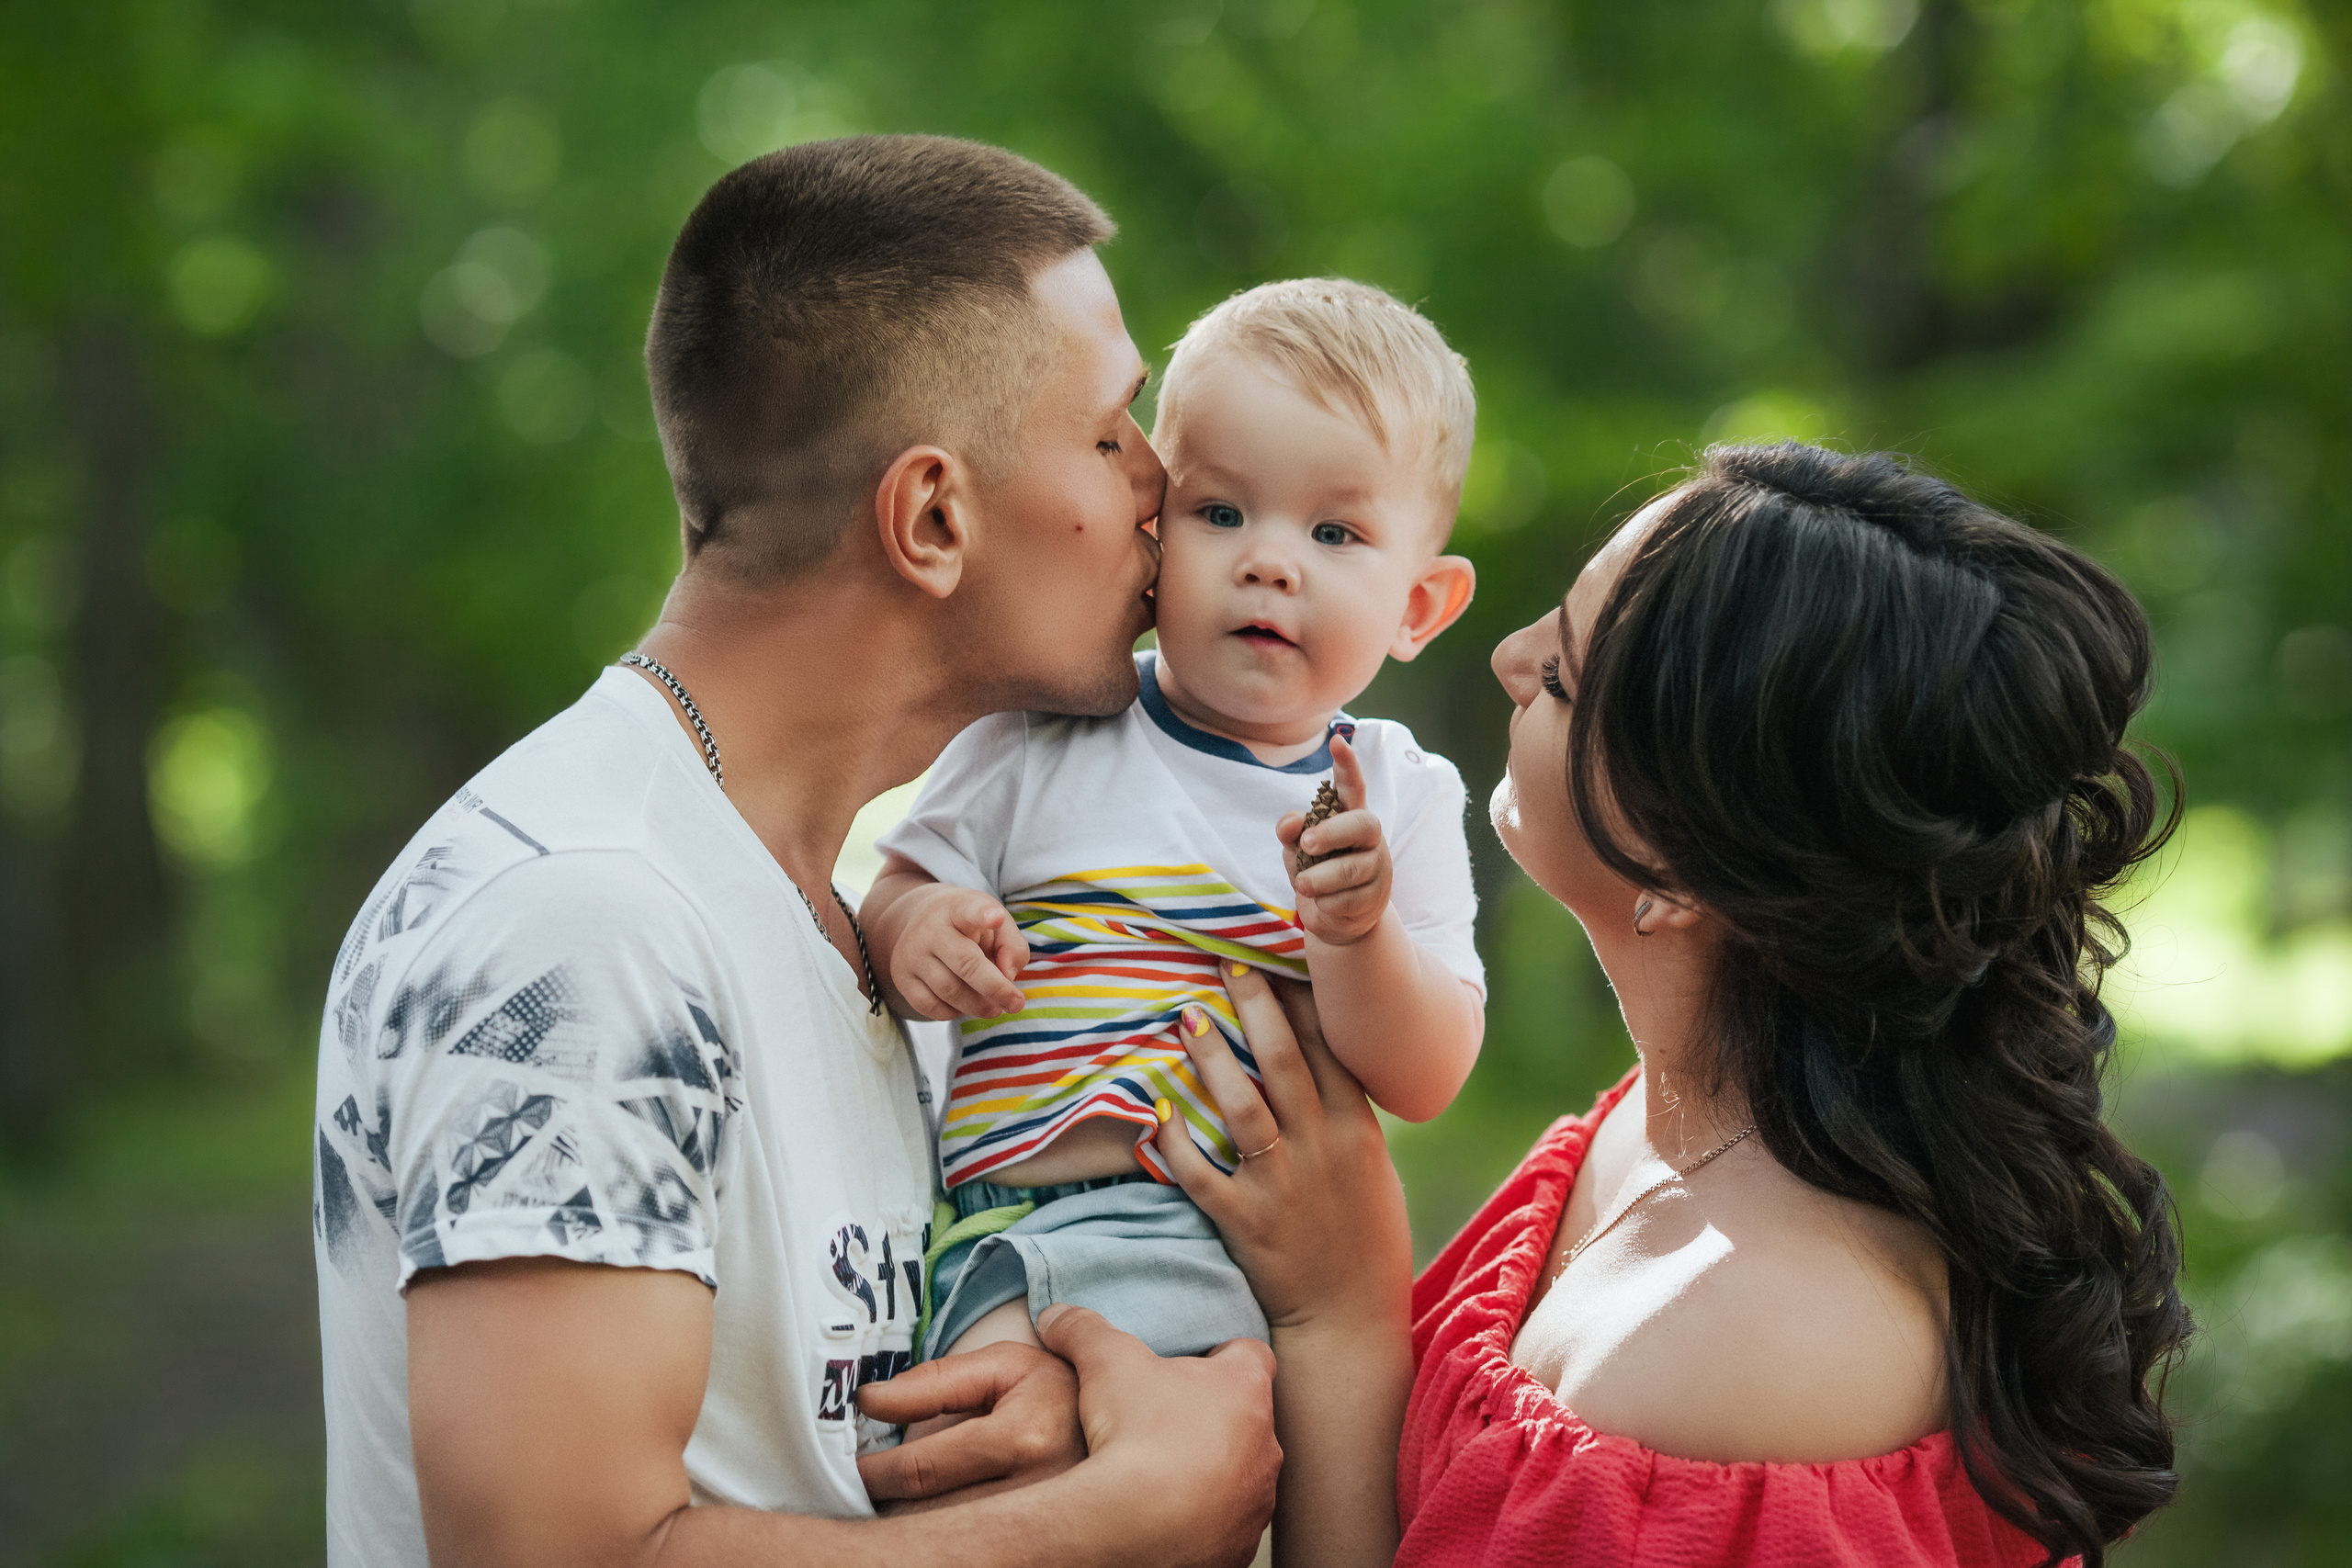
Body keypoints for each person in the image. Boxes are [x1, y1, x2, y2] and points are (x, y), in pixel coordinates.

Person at [309, 134, 1284, 1568]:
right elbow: (562, 1549)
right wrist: (1121, 1514)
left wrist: (1035, 1407)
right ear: (932, 515)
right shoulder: (585, 921)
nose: (1164, 482)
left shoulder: (838, 911)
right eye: (1110, 430)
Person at [1156, 443, 2191, 1567]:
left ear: (1676, 872)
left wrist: (1340, 1317)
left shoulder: (1734, 1362)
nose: (1507, 659)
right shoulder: (1661, 1127)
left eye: (1559, 678)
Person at [861, 278, 1485, 1367]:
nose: (1269, 560)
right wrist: (926, 926)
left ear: (1418, 607)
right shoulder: (1043, 730)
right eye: (1221, 512)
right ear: (1151, 541)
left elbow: (1426, 1076)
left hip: (1250, 1248)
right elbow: (897, 888)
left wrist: (1355, 938)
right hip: (1017, 1224)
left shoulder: (1393, 792)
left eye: (1335, 531)